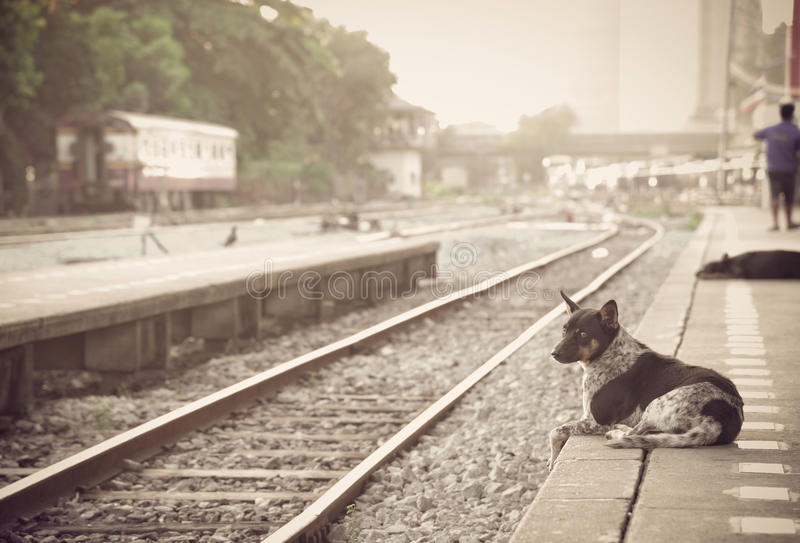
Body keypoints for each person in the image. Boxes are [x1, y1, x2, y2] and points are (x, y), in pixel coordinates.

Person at [754, 102, 800, 231]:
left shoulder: (771, 129)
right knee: (788, 197)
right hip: (790, 169)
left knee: (774, 196)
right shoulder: (795, 131)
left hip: (773, 168)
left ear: (780, 114)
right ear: (792, 115)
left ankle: (775, 223)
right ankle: (789, 222)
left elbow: (756, 135)